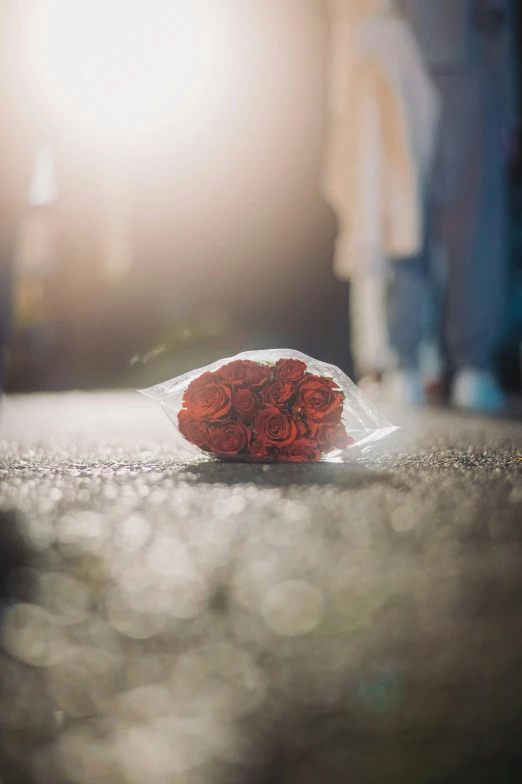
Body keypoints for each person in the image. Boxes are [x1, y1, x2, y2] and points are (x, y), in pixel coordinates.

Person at [388, 0, 518, 411]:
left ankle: (405, 366)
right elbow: (496, 18)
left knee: (405, 219)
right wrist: (510, 110)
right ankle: (470, 368)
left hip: (397, 60)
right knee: (473, 228)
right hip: (465, 61)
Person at [321, 0, 440, 391]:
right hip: (361, 63)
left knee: (406, 222)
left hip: (395, 53)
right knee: (368, 228)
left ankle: (413, 356)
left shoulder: (391, 33)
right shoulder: (353, 28)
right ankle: (376, 358)